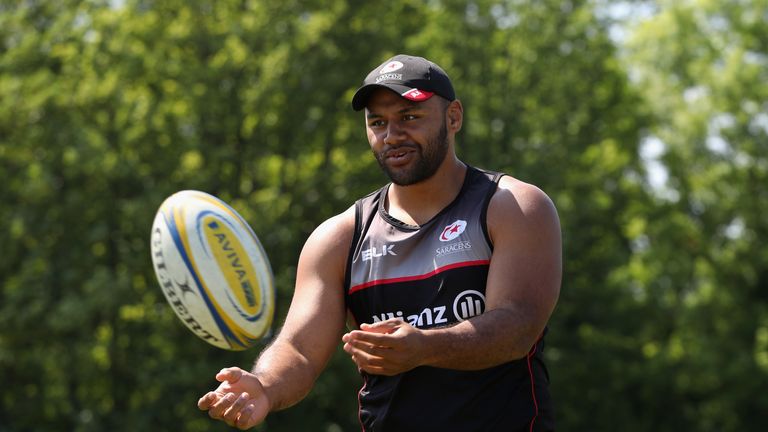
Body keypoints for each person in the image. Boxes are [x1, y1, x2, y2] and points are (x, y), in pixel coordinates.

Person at [197, 54, 562, 431]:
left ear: (453, 117)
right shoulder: (339, 237)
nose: (391, 136)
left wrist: (423, 347)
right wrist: (265, 387)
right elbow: (300, 350)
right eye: (377, 122)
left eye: (409, 117)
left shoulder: (513, 206)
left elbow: (517, 327)